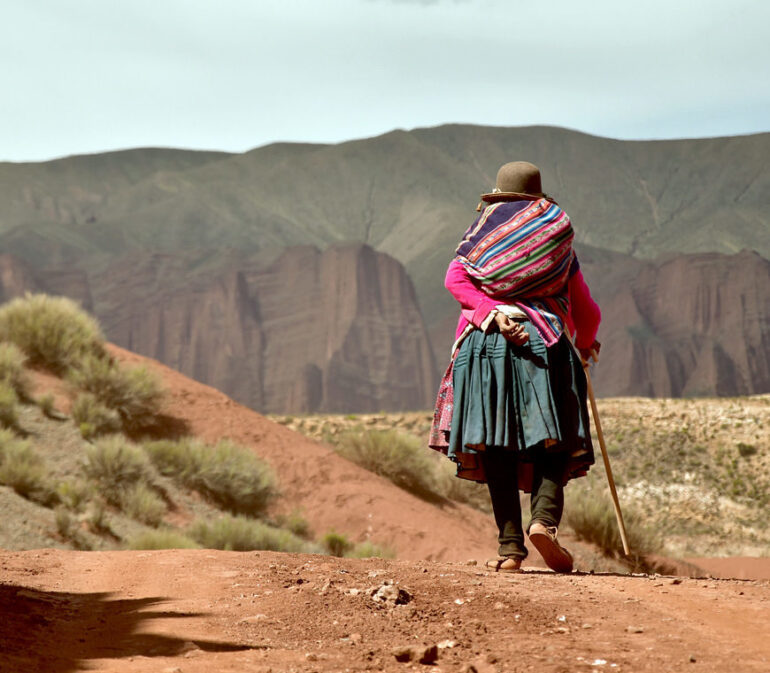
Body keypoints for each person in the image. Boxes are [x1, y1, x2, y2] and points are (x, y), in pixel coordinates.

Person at [429, 161, 601, 573]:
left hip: (484, 346)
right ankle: (543, 522)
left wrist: (491, 312)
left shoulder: (478, 242)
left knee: (496, 447)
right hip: (548, 344)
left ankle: (510, 551)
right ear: (539, 201)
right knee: (554, 441)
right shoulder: (559, 248)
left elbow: (456, 281)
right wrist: (585, 343)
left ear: (497, 198)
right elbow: (587, 309)